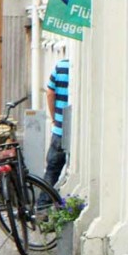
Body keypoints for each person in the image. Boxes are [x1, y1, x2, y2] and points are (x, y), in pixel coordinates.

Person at [42, 55, 70, 190]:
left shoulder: (61, 66)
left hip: (60, 128)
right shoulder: (87, 65)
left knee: (52, 169)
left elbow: (50, 93)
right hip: (78, 131)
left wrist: (54, 118)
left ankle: (43, 204)